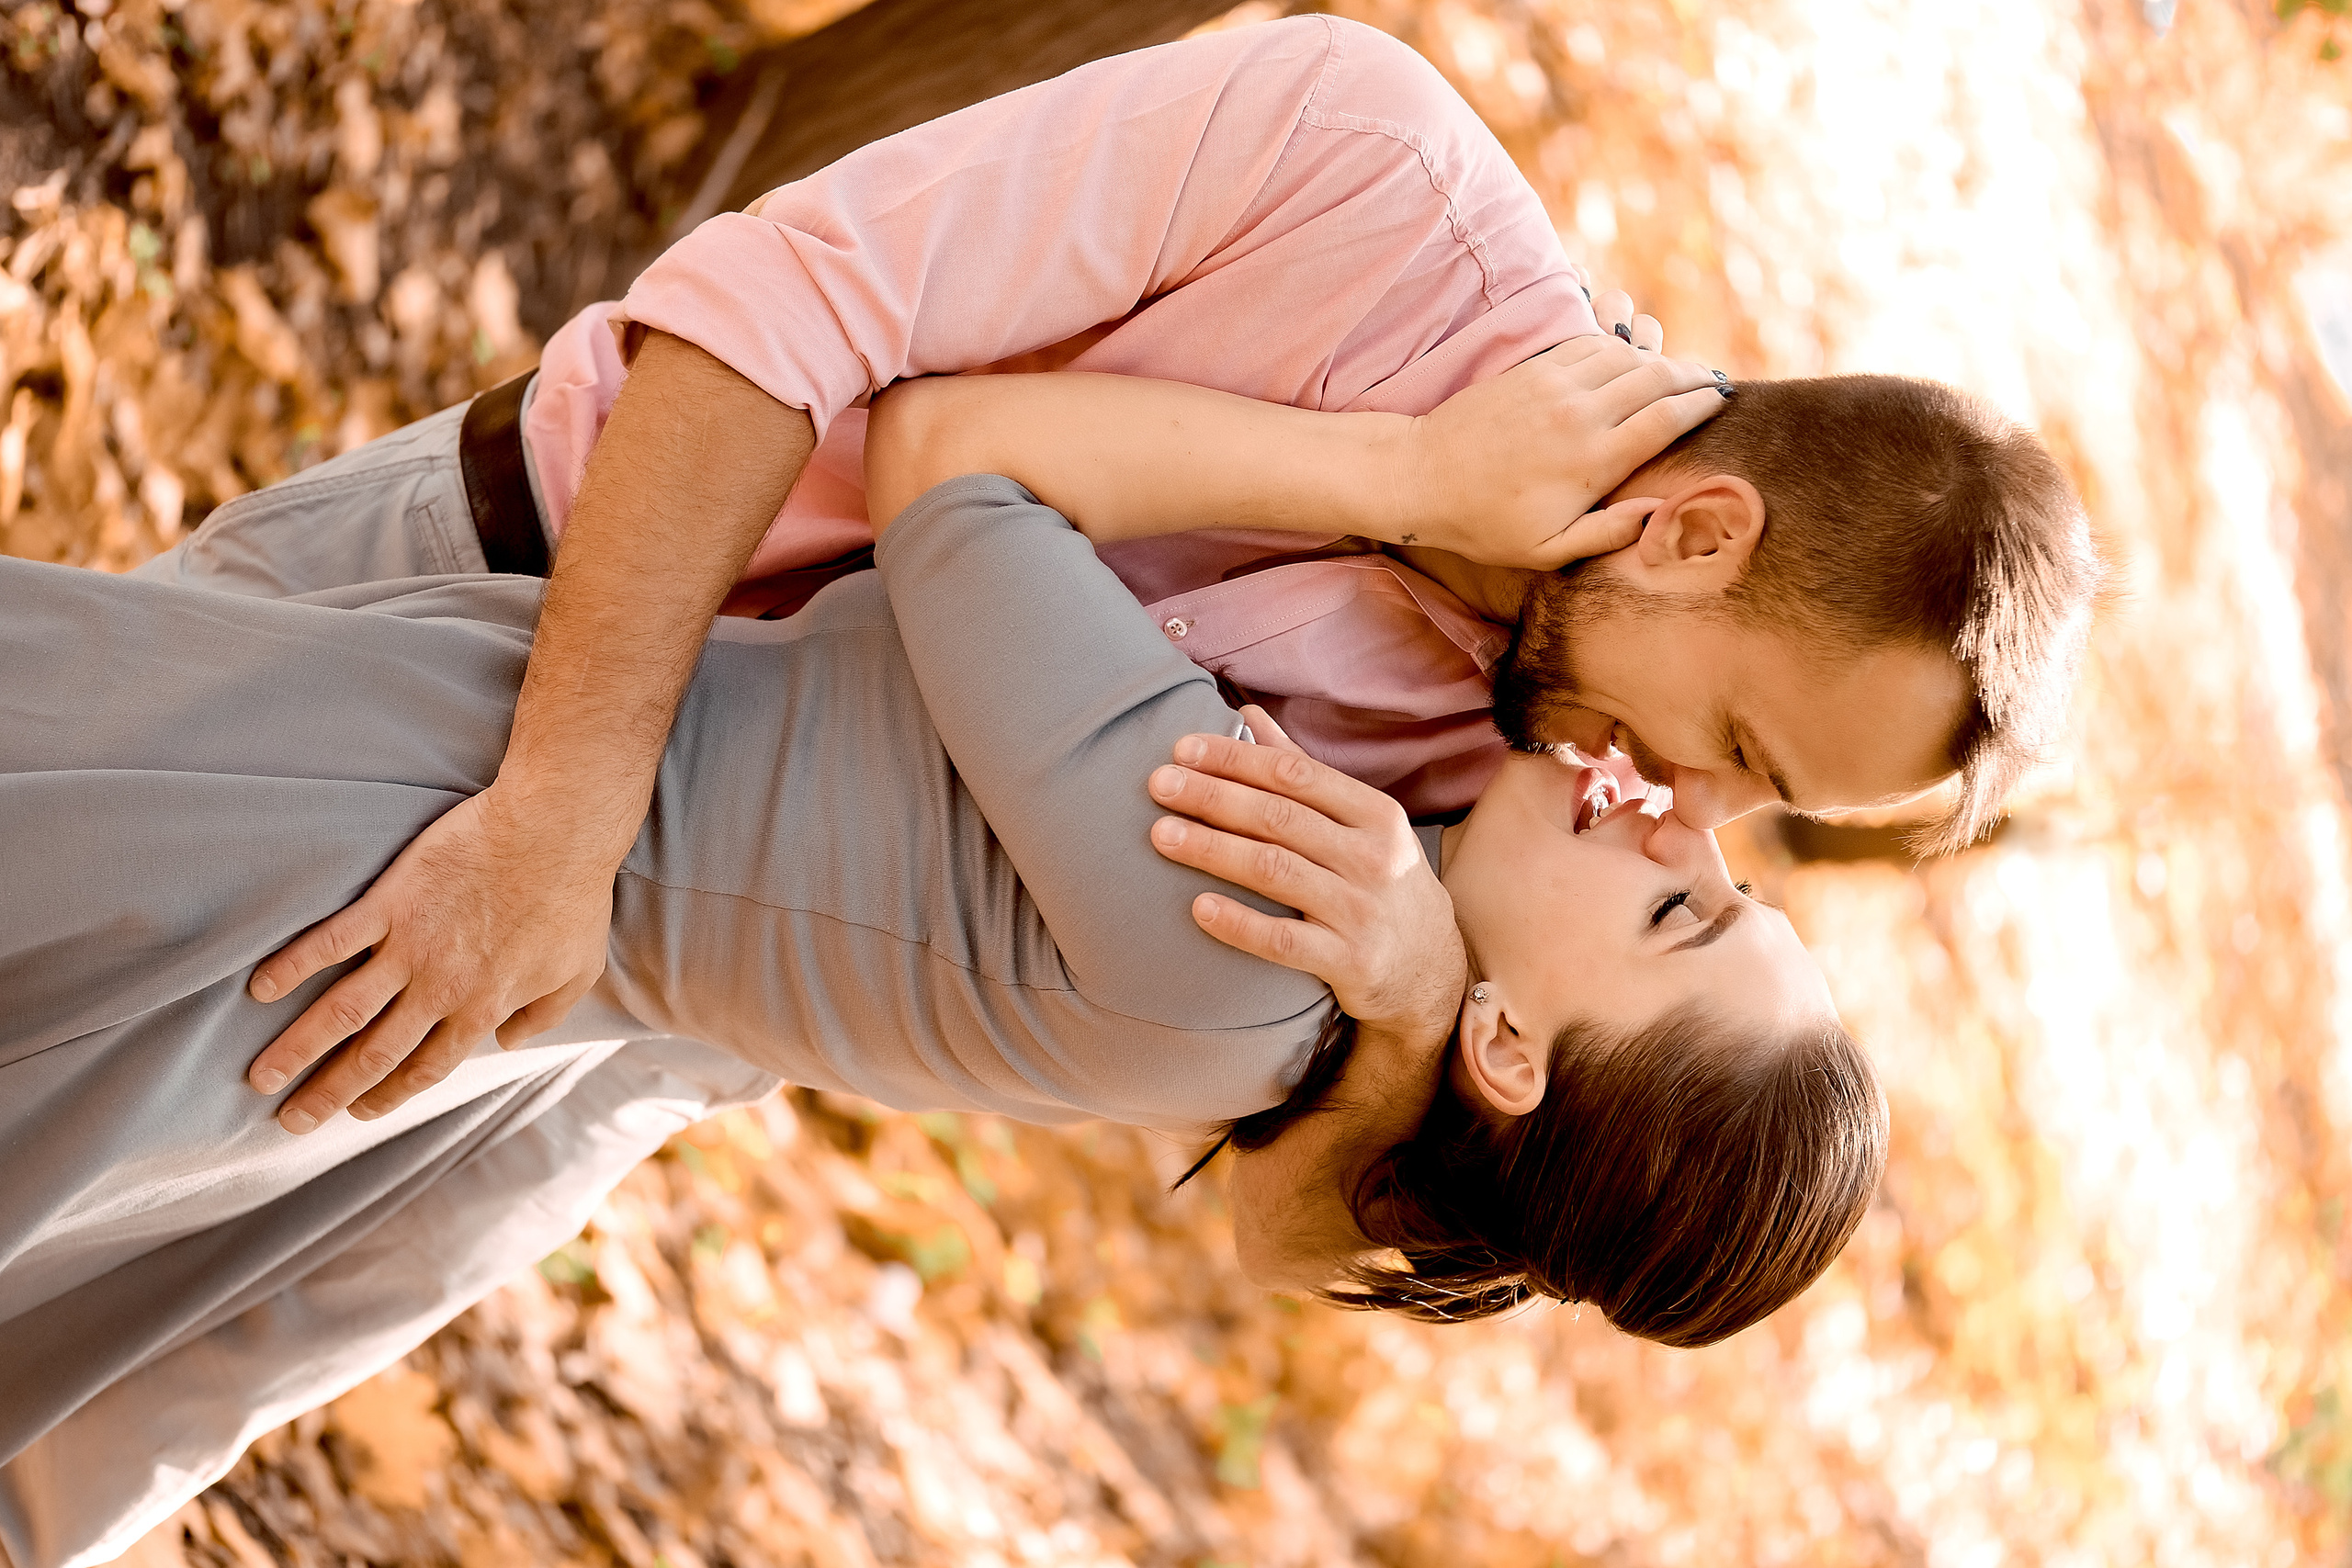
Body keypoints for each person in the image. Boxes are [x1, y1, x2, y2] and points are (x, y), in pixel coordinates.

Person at [126, 14, 2100, 1142]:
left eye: (1756, 807)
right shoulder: (1359, 164)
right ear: (1691, 530)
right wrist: (557, 808)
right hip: (500, 622)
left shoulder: (1515, 795)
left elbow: (1302, 1215)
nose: (1685, 809)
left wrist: (1413, 1013)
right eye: (1737, 741)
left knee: (155, 1384)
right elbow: (755, 327)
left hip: (651, 1015)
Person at [0, 426, 1883, 1568]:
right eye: (1727, 868)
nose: (1690, 831)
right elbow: (1292, 1227)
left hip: (446, 840)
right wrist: (1405, 1003)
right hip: (508, 858)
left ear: (1507, 1042)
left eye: (1686, 920)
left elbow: (959, 480)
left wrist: (1390, 478)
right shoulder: (1346, 961)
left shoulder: (1256, 911)